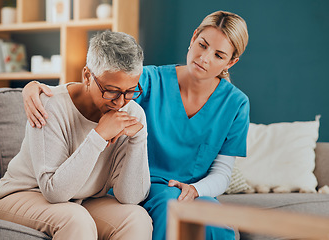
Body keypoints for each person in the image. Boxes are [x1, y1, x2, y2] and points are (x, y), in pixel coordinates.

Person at [22, 10, 249, 240]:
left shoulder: (236, 104)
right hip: (143, 185)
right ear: (193, 38)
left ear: (231, 61)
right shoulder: (149, 80)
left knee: (215, 222)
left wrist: (198, 189)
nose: (205, 58)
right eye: (202, 45)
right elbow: (96, 86)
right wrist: (34, 87)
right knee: (173, 210)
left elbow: (222, 172)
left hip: (193, 191)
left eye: (219, 55)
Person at [0, 31, 152, 240]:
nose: (120, 102)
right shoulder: (50, 105)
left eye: (130, 91)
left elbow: (131, 197)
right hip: (21, 195)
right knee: (76, 220)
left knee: (136, 218)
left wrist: (138, 139)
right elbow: (54, 191)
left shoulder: (133, 114)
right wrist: (98, 136)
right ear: (87, 76)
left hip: (81, 200)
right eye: (111, 91)